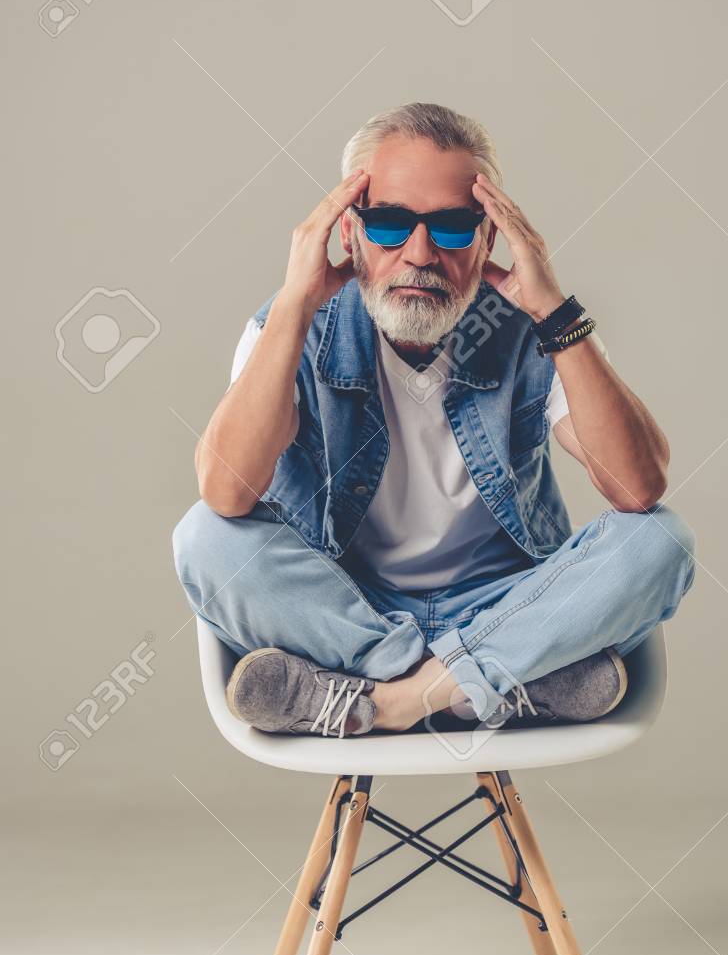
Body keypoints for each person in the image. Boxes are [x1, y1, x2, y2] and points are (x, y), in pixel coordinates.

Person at [172, 102, 695, 738]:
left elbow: (637, 488)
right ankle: (479, 687)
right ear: (349, 233)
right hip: (349, 606)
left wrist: (554, 312)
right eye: (390, 224)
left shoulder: (541, 328)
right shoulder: (291, 327)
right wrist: (294, 306)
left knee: (660, 541)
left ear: (488, 240)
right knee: (205, 538)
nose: (419, 253)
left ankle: (381, 701)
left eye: (450, 228)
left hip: (506, 603)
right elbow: (227, 492)